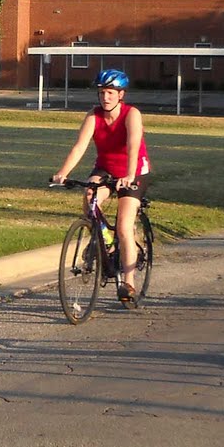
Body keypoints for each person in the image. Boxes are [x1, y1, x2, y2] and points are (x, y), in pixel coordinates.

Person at [51, 68, 151, 301]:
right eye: (102, 92)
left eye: (110, 92)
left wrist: (128, 175)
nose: (105, 97)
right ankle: (107, 243)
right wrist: (62, 173)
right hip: (105, 168)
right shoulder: (93, 116)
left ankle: (128, 283)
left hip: (133, 170)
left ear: (121, 94)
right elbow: (80, 146)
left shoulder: (131, 114)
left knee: (125, 226)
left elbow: (134, 145)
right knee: (89, 197)